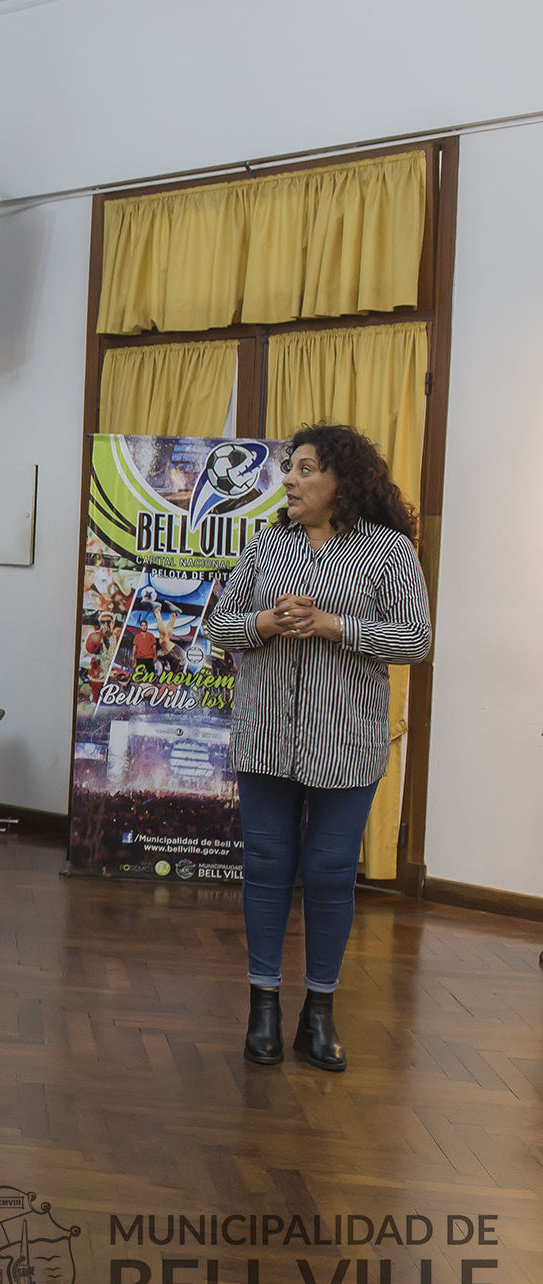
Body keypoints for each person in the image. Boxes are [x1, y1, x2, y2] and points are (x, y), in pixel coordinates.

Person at [202, 425, 430, 1073]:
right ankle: (263, 1008)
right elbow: (218, 624)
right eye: (289, 468)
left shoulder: (388, 550)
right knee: (266, 865)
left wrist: (336, 626)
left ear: (341, 480)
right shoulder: (264, 545)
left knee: (330, 873)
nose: (289, 480)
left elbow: (415, 639)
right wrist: (265, 622)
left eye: (305, 469)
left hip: (347, 742)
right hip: (265, 737)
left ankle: (319, 1013)